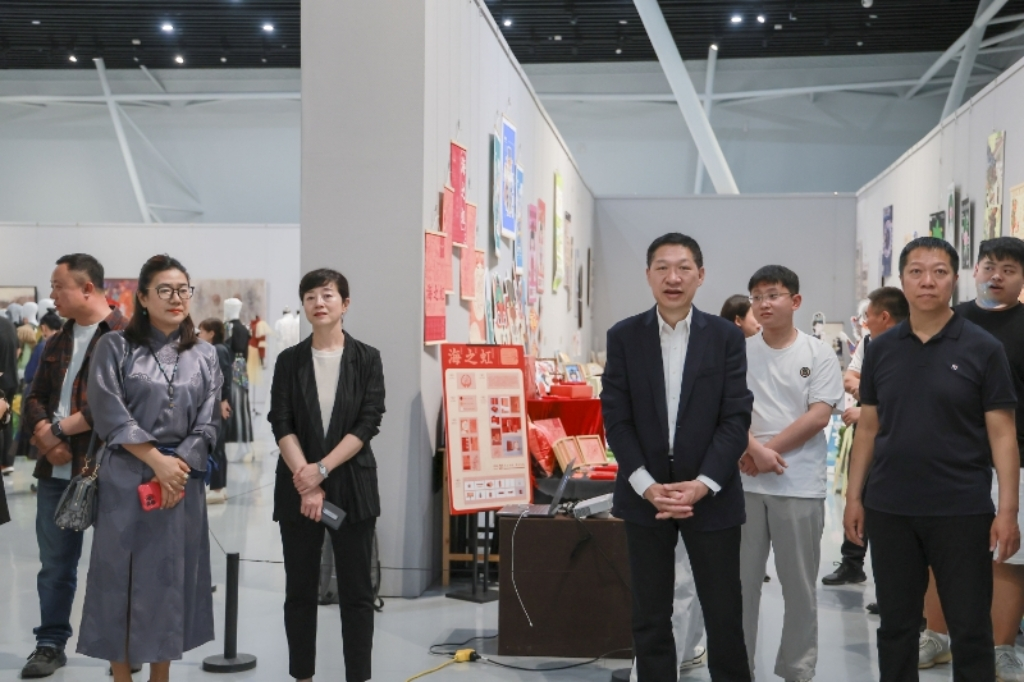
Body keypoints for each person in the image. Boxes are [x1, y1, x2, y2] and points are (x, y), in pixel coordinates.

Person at [844, 237, 1021, 682]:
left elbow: (1003, 434)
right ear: (902, 280)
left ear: (955, 280)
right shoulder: (881, 349)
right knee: (897, 627)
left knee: (970, 628)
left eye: (939, 272)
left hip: (962, 509)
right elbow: (868, 428)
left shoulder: (983, 348)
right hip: (890, 508)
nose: (927, 281)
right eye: (917, 271)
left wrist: (1008, 511)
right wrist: (853, 498)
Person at [601, 232, 753, 681]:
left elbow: (735, 418)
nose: (673, 277)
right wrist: (646, 485)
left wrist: (703, 484)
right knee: (649, 616)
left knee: (724, 615)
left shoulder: (726, 337)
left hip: (712, 495)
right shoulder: (624, 336)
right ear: (648, 275)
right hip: (645, 497)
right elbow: (616, 419)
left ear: (700, 276)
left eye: (684, 268)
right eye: (662, 268)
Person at [78, 254, 220, 682]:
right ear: (142, 297)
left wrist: (177, 465)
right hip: (126, 476)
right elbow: (108, 410)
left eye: (183, 290)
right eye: (165, 290)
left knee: (170, 579)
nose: (176, 298)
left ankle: (161, 675)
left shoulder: (205, 354)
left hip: (180, 480)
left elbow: (209, 420)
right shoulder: (115, 346)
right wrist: (157, 460)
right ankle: (122, 676)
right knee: (117, 578)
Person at [268, 268, 385, 682]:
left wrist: (320, 470)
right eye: (311, 297)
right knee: (299, 593)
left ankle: (358, 677)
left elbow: (368, 422)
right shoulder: (289, 360)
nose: (319, 303)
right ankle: (302, 676)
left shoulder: (367, 358)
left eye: (328, 295)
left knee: (357, 594)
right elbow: (280, 421)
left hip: (351, 488)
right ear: (303, 305)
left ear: (345, 304)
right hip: (297, 488)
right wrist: (306, 479)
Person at [917, 237, 1024, 680]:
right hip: (951, 458)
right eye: (989, 266)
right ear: (974, 271)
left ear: (1021, 278)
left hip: (1015, 459)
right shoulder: (950, 319)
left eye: (1009, 270)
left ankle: (1001, 648)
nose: (997, 276)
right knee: (940, 551)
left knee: (1007, 556)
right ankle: (937, 637)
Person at [20, 254, 128, 679]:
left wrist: (55, 432)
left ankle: (123, 647)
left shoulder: (124, 337)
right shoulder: (56, 340)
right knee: (55, 566)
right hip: (56, 472)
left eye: (57, 286)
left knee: (117, 565)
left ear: (86, 288)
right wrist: (47, 440)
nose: (52, 295)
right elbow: (33, 395)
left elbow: (117, 405)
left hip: (110, 469)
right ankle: (49, 643)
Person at [739, 265, 844, 682]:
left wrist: (766, 453)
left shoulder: (818, 353)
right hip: (744, 483)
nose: (764, 304)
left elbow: (818, 416)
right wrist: (752, 450)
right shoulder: (739, 352)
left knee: (798, 587)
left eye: (773, 295)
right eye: (757, 297)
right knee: (740, 586)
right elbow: (725, 409)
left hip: (798, 484)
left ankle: (798, 670)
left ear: (795, 301)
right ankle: (738, 667)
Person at [821, 287, 909, 589]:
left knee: (893, 517)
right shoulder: (869, 343)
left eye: (867, 316)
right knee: (859, 496)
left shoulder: (914, 346)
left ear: (884, 316)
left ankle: (898, 591)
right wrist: (869, 396)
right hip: (869, 438)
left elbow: (910, 400)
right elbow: (850, 377)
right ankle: (853, 562)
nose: (863, 322)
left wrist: (868, 409)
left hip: (899, 446)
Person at [16, 311, 64, 461]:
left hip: (38, 396)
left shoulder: (43, 345)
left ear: (43, 328)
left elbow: (29, 374)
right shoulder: (66, 344)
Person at [198, 318, 233, 504]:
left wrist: (223, 400)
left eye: (202, 331)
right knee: (218, 446)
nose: (200, 335)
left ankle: (217, 488)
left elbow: (223, 376)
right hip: (216, 401)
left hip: (217, 403)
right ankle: (220, 487)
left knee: (216, 446)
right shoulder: (218, 349)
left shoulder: (218, 350)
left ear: (211, 333)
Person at [0, 312, 18, 476]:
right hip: (11, 378)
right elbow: (17, 350)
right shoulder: (8, 324)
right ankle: (7, 461)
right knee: (7, 421)